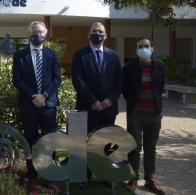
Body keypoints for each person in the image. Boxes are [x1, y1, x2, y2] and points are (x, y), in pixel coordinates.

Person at [71, 22, 124, 190]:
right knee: (84, 144)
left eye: (101, 31)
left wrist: (110, 100)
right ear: (88, 34)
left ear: (106, 35)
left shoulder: (114, 56)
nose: (97, 34)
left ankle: (105, 176)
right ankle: (84, 177)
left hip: (108, 108)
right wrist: (92, 101)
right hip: (87, 107)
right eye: (94, 31)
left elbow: (119, 80)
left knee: (105, 144)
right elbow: (77, 79)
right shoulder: (80, 54)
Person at [12, 21, 62, 189]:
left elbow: (57, 79)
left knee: (50, 141)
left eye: (40, 32)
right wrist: (34, 96)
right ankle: (31, 177)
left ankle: (50, 175)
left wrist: (44, 95)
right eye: (34, 32)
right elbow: (17, 80)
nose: (37, 34)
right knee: (30, 141)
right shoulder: (20, 55)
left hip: (48, 105)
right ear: (29, 35)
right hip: (29, 105)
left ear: (45, 34)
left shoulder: (52, 54)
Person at [123, 37, 165, 195]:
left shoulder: (159, 67)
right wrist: (135, 103)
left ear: (152, 48)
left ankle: (150, 179)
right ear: (136, 50)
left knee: (151, 147)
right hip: (136, 113)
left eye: (146, 46)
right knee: (134, 147)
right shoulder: (129, 68)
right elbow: (125, 89)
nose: (143, 49)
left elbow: (160, 88)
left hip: (155, 113)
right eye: (140, 46)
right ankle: (133, 178)